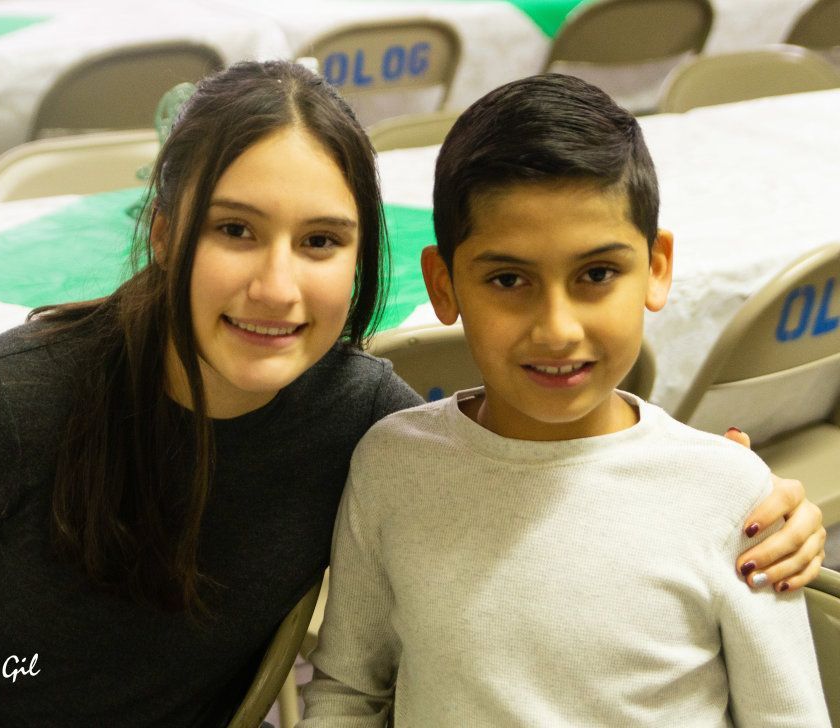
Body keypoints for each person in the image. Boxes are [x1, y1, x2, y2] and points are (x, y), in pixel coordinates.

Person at [0, 62, 823, 727]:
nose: (276, 287)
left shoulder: (368, 422)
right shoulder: (2, 404)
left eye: (320, 241)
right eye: (234, 230)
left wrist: (743, 493)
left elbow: (542, 460)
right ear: (166, 232)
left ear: (364, 259)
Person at [300, 74, 830, 727]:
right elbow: (350, 693)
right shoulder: (390, 466)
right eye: (508, 279)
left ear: (657, 267)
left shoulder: (734, 498)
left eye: (596, 275)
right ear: (444, 285)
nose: (556, 328)